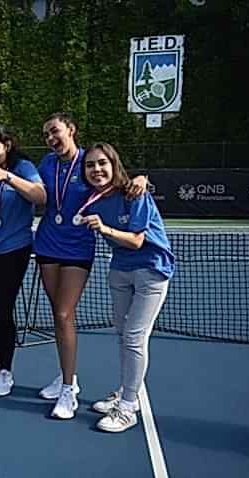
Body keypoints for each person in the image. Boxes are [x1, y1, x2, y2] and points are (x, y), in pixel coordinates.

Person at [34, 112, 146, 419]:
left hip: (78, 247)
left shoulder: (88, 162)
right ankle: (66, 376)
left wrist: (141, 179)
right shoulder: (47, 164)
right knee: (59, 316)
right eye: (46, 135)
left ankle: (68, 391)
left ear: (71, 130)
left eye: (55, 131)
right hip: (46, 244)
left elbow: (117, 182)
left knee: (64, 314)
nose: (51, 138)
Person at [79, 142, 174, 432]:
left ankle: (129, 407)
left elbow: (136, 241)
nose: (97, 169)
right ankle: (126, 391)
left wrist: (104, 228)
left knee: (134, 337)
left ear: (114, 165)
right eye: (90, 165)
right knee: (122, 334)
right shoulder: (92, 200)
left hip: (151, 270)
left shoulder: (135, 193)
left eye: (102, 163)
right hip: (120, 270)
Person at [0, 124, 46, 396]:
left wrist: (6, 177)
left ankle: (6, 371)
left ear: (7, 146)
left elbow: (40, 196)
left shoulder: (23, 167)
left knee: (2, 307)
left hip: (15, 250)